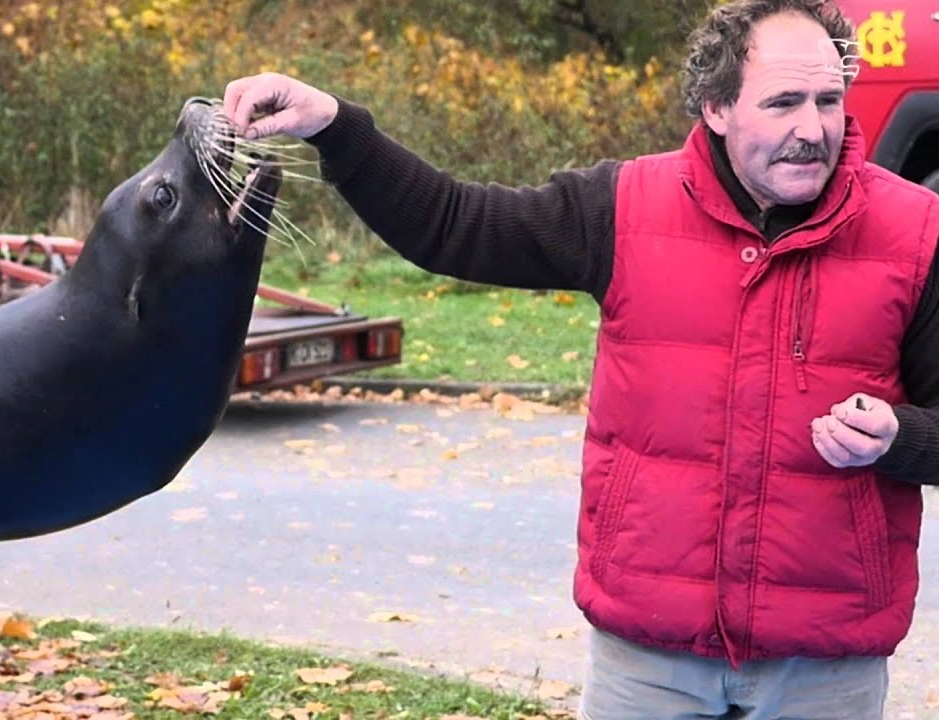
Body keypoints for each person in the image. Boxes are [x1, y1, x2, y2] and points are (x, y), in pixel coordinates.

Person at [221, 1, 939, 718]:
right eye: (783, 103)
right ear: (717, 107)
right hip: (649, 663)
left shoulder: (914, 233)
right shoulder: (622, 208)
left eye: (828, 102)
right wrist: (334, 128)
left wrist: (900, 439)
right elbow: (451, 224)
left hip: (825, 669)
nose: (812, 130)